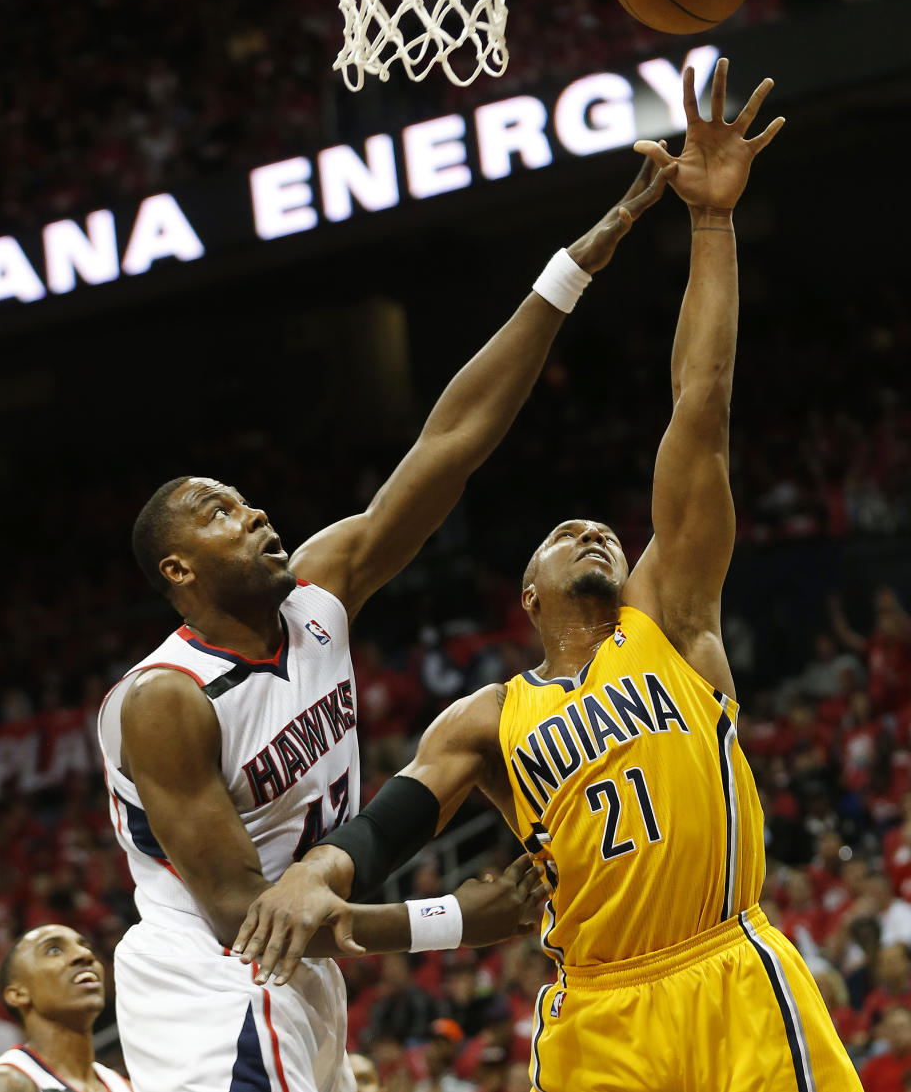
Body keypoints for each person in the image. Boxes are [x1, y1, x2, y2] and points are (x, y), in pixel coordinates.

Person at [233, 59, 864, 1091]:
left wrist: (711, 224)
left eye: (601, 527)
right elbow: (392, 818)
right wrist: (319, 872)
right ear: (523, 596)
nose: (592, 530)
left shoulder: (673, 617)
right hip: (598, 1011)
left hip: (731, 968)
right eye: (564, 531)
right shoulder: (488, 717)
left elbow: (699, 402)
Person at [97, 155, 674, 1092]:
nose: (251, 513)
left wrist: (572, 270)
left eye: (247, 500)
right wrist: (455, 918)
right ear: (178, 569)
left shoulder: (321, 593)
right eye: (218, 510)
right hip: (217, 982)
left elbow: (449, 445)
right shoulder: (166, 699)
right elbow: (253, 912)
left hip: (306, 970)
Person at [0, 924, 130, 1092]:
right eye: (53, 950)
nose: (84, 954)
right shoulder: (0, 1084)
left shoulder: (123, 1085)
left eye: (86, 947)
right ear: (18, 994)